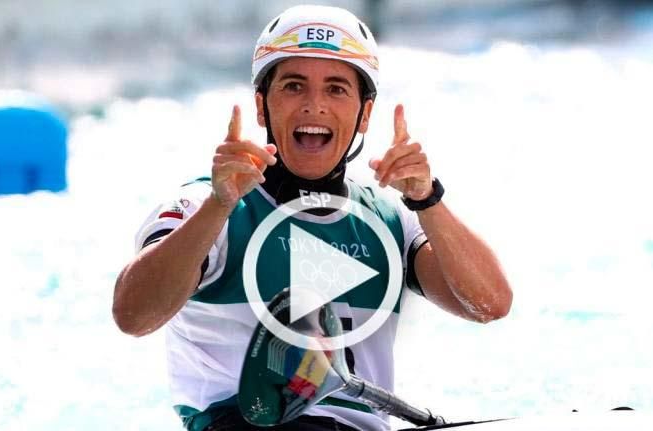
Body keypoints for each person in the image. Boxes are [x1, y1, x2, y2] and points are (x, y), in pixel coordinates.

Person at [112, 5, 512, 431]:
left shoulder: (394, 218)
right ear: (262, 107)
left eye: (336, 89)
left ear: (365, 114)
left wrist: (428, 199)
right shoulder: (203, 206)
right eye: (293, 86)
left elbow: (490, 305)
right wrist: (219, 204)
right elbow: (133, 316)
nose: (314, 105)